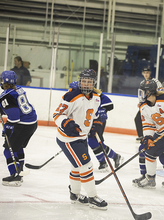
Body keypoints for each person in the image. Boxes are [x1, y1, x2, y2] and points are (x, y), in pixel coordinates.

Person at [53, 69, 107, 210]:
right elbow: (57, 114)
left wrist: (95, 124)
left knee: (76, 167)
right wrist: (66, 123)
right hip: (68, 138)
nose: (86, 84)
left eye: (89, 81)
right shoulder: (71, 96)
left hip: (82, 137)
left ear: (93, 83)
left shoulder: (96, 97)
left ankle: (75, 195)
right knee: (86, 165)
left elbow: (93, 116)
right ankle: (92, 197)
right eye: (83, 81)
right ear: (80, 81)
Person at [69, 81, 123, 172]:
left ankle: (103, 162)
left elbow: (110, 105)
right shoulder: (76, 98)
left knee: (93, 141)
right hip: (87, 121)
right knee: (96, 142)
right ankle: (115, 156)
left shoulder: (94, 95)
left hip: (98, 120)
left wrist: (103, 110)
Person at [0, 70, 37, 186]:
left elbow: (14, 117)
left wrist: (7, 128)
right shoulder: (19, 89)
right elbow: (14, 106)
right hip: (32, 123)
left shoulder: (6, 96)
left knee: (8, 149)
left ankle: (15, 175)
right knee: (18, 146)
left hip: (22, 125)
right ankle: (19, 171)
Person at [135, 66, 162, 141]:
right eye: (144, 73)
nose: (146, 74)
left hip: (154, 103)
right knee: (138, 119)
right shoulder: (142, 83)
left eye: (147, 73)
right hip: (145, 104)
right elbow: (141, 94)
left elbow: (160, 91)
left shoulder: (155, 82)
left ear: (150, 73)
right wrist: (140, 102)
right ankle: (141, 136)